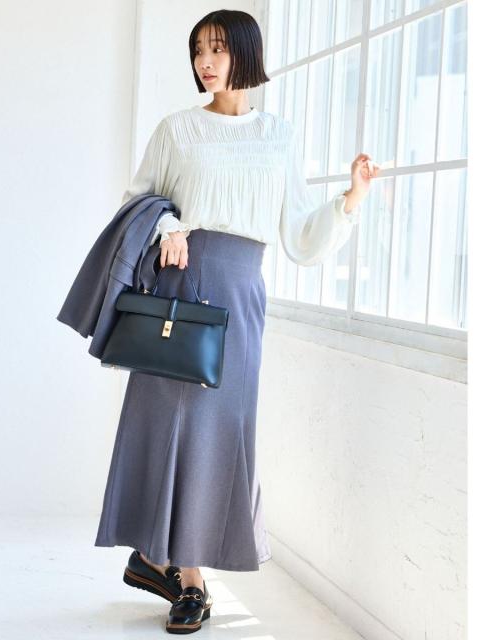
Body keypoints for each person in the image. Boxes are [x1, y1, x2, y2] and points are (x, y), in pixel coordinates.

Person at [94, 8, 380, 634]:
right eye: (199, 49)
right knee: (170, 422)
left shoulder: (277, 135)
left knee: (221, 431)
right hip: (181, 284)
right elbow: (138, 200)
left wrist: (351, 198)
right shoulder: (178, 129)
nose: (206, 61)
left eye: (218, 48)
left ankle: (157, 560)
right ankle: (189, 578)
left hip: (242, 291)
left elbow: (299, 234)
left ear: (246, 53)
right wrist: (170, 227)